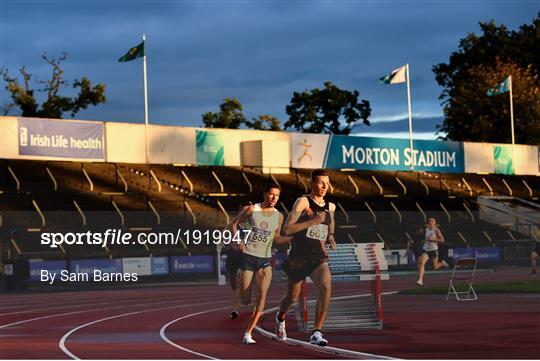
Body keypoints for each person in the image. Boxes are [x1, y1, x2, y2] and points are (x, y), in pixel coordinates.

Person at [275, 169, 336, 347]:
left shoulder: (330, 206)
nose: (325, 186)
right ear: (312, 183)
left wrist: (331, 235)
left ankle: (316, 332)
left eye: (327, 182)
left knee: (326, 286)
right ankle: (280, 317)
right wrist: (313, 221)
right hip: (299, 257)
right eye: (320, 182)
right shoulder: (303, 201)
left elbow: (331, 220)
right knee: (292, 298)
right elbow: (287, 229)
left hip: (318, 256)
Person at [227, 185, 291, 345]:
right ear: (265, 194)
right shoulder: (251, 209)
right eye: (271, 194)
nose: (274, 198)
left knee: (262, 296)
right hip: (248, 258)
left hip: (265, 260)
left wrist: (292, 239)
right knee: (246, 299)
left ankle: (248, 333)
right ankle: (244, 291)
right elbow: (232, 225)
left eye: (277, 195)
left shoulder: (279, 216)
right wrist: (239, 241)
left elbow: (277, 238)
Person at [227, 202, 253, 320]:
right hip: (233, 256)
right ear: (240, 212)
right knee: (234, 283)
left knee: (240, 284)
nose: (246, 212)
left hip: (246, 257)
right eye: (243, 210)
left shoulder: (253, 224)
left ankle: (235, 309)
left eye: (248, 210)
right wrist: (237, 247)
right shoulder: (234, 224)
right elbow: (227, 240)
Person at [416, 217, 449, 286]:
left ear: (435, 223)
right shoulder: (425, 230)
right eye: (429, 221)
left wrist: (433, 239)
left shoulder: (436, 230)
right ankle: (420, 279)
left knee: (435, 267)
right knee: (422, 262)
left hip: (434, 250)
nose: (430, 222)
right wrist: (419, 234)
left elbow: (442, 240)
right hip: (426, 250)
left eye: (432, 221)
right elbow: (418, 233)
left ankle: (442, 263)